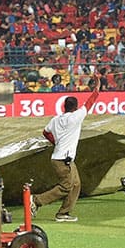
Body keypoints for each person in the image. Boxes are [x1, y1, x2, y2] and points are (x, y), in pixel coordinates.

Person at [34, 75, 100, 222]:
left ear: (64, 106)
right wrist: (97, 87)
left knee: (76, 185)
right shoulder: (76, 117)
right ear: (75, 107)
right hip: (64, 160)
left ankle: (64, 213)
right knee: (66, 186)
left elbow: (45, 132)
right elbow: (90, 102)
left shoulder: (55, 119)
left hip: (59, 157)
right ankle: (37, 201)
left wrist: (55, 142)